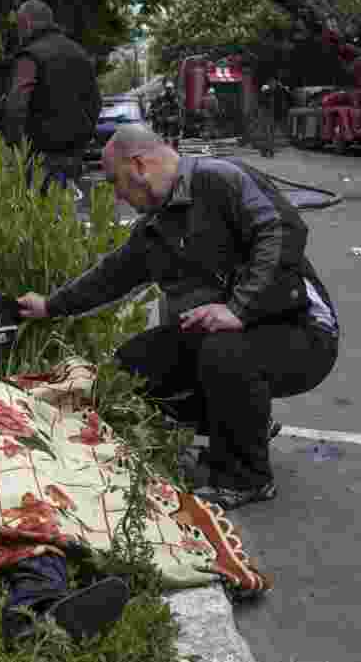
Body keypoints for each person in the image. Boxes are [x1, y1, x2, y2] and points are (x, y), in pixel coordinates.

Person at [17, 125, 340, 510]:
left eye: (116, 182)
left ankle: (246, 478)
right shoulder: (157, 226)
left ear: (138, 165)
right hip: (234, 332)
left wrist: (239, 308)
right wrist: (50, 306)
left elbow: (282, 231)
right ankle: (243, 425)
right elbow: (112, 276)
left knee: (225, 353)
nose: (117, 195)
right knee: (130, 368)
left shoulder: (220, 178)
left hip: (302, 330)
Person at [3, 0, 100, 191]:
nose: (19, 32)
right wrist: (81, 142)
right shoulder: (79, 53)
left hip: (39, 159)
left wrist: (15, 151)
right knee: (65, 213)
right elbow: (95, 102)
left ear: (27, 24)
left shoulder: (30, 56)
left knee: (38, 216)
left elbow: (16, 105)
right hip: (73, 158)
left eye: (19, 26)